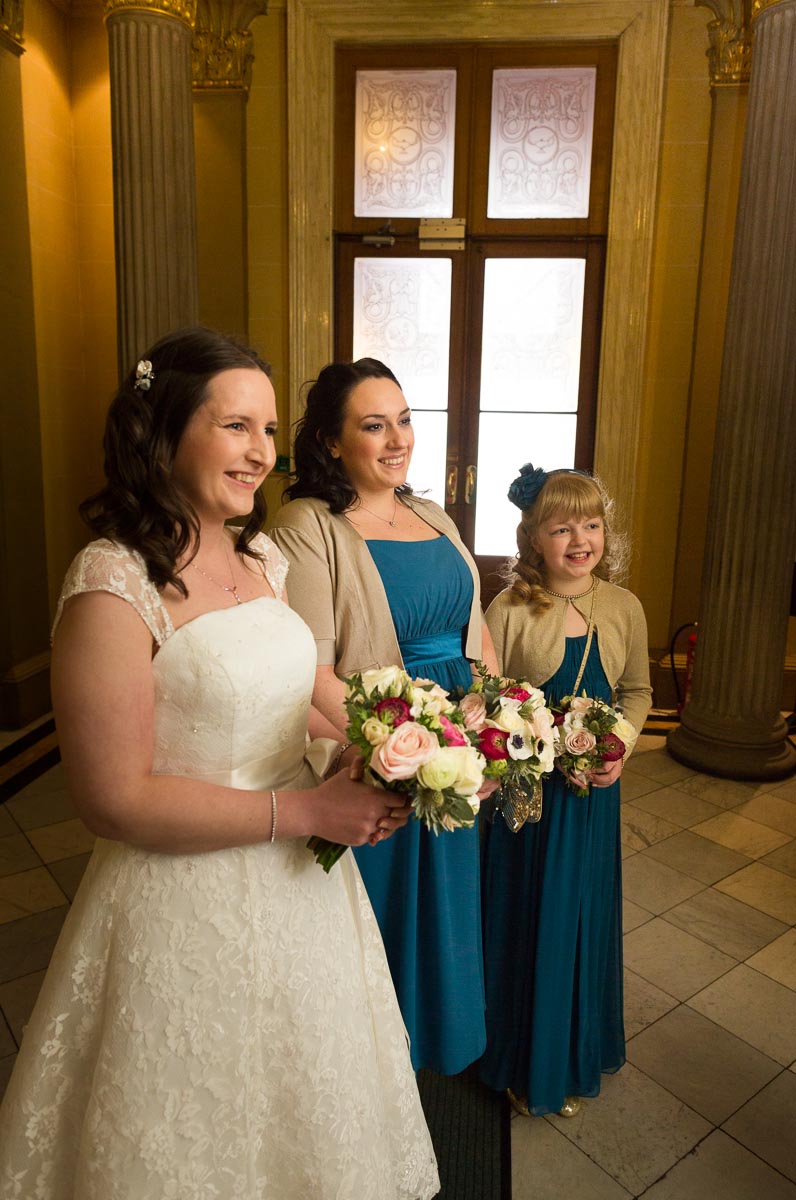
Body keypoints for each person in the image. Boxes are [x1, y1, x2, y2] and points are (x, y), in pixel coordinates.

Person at [0, 329, 439, 1200]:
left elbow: (292, 684)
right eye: (236, 426)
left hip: (304, 894)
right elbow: (113, 799)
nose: (261, 453)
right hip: (181, 897)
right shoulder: (112, 583)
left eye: (269, 431)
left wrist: (368, 741)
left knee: (309, 1099)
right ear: (164, 431)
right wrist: (308, 813)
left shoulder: (259, 557)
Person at [268, 358, 499, 1076]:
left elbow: (476, 634)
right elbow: (311, 675)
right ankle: (371, 1075)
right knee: (383, 916)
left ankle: (436, 1052)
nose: (398, 439)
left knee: (448, 911)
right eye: (374, 425)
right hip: (382, 755)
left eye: (404, 420)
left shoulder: (434, 516)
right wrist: (409, 758)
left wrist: (491, 734)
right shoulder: (306, 527)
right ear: (331, 442)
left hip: (456, 751)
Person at [479, 463, 651, 1117]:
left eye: (591, 525)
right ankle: (522, 1061)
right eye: (561, 529)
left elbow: (638, 692)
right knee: (528, 915)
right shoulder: (510, 609)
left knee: (580, 915)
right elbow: (486, 698)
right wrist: (534, 741)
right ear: (534, 538)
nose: (580, 540)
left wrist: (617, 749)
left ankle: (573, 1052)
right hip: (529, 795)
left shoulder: (625, 607)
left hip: (593, 797)